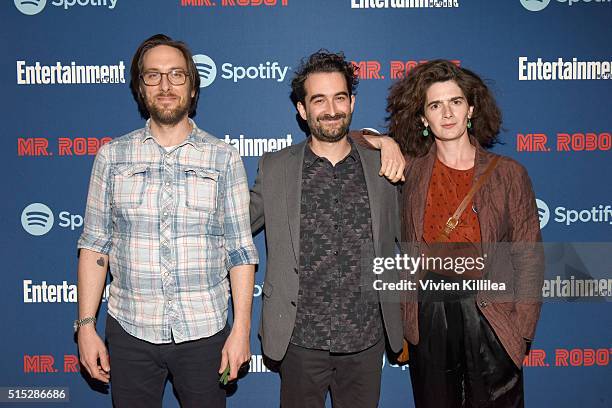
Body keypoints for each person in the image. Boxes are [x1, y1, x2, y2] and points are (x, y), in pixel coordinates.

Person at [75, 34, 258, 408]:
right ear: (140, 88)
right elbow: (95, 246)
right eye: (153, 76)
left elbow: (240, 250)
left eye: (176, 75)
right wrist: (86, 327)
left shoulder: (224, 158)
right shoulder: (112, 157)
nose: (165, 86)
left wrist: (240, 329)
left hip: (204, 331)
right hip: (130, 331)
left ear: (192, 87)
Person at [382, 59, 544, 407]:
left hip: (490, 310)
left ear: (471, 108)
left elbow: (529, 256)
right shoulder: (412, 169)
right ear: (423, 118)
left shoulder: (509, 175)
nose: (447, 113)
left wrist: (523, 331)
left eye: (455, 102)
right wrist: (384, 143)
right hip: (431, 309)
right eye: (435, 105)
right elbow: (348, 139)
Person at [249, 50, 404, 408]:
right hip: (299, 339)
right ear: (302, 110)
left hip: (366, 339)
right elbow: (236, 222)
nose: (331, 109)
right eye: (318, 99)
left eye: (339, 97)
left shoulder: (384, 165)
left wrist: (385, 140)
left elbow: (410, 239)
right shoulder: (276, 169)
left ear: (352, 102)